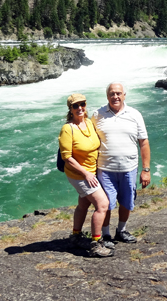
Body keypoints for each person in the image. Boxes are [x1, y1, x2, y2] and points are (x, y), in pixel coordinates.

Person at [92, 82, 151, 244]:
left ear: (124, 95)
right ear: (107, 96)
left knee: (127, 201)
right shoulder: (98, 115)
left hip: (129, 168)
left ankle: (121, 230)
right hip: (105, 169)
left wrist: (146, 169)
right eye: (112, 93)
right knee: (106, 204)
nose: (115, 96)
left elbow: (144, 143)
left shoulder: (135, 114)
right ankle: (105, 234)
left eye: (118, 93)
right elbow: (89, 140)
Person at [59, 93, 114, 258]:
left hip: (91, 172)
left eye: (82, 104)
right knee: (102, 204)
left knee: (84, 203)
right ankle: (95, 244)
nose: (79, 108)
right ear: (70, 109)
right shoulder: (68, 129)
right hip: (79, 174)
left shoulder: (89, 122)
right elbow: (67, 157)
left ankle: (75, 237)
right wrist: (86, 174)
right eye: (75, 106)